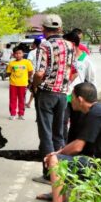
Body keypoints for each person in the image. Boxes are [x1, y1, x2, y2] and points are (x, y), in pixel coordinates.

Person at [32, 82, 101, 202]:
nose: (70, 100)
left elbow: (78, 146)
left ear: (80, 99)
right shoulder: (96, 111)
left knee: (56, 161)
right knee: (63, 157)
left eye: (71, 97)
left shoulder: (95, 114)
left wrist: (54, 155)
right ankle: (61, 195)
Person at [32, 14, 74, 183]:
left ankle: (49, 174)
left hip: (47, 93)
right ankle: (61, 172)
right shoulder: (70, 46)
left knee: (46, 134)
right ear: (60, 29)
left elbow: (40, 72)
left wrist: (35, 85)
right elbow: (72, 70)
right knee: (59, 134)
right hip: (63, 95)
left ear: (44, 29)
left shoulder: (45, 46)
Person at [63, 29, 96, 142]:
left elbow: (91, 80)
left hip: (79, 98)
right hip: (64, 95)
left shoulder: (85, 60)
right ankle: (62, 147)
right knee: (62, 123)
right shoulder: (64, 58)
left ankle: (73, 148)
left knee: (77, 124)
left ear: (72, 44)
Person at [6, 47, 33, 120]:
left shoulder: (27, 62)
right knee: (12, 99)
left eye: (19, 53)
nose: (18, 55)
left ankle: (21, 114)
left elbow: (30, 72)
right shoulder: (11, 63)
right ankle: (13, 114)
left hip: (23, 84)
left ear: (23, 54)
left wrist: (27, 79)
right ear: (14, 54)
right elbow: (8, 73)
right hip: (13, 84)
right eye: (16, 53)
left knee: (22, 99)